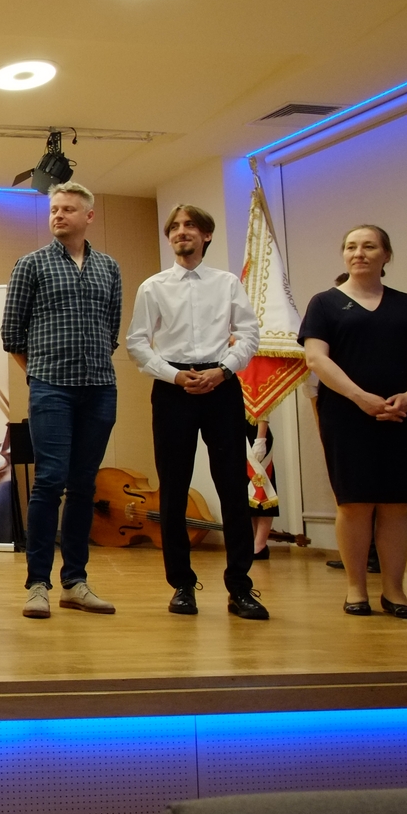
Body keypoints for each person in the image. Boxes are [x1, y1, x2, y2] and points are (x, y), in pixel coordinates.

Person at [125, 204, 265, 619]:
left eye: (190, 226)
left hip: (221, 386)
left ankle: (240, 587)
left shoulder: (227, 284)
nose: (181, 231)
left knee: (232, 488)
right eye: (175, 227)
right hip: (173, 390)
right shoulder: (153, 286)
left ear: (206, 235)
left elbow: (249, 334)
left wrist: (223, 371)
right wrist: (173, 376)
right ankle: (182, 586)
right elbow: (137, 342)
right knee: (173, 489)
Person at [298, 224, 407, 619]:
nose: (359, 253)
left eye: (369, 246)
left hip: (401, 414)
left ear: (386, 255)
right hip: (347, 414)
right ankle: (356, 588)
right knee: (354, 503)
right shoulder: (324, 303)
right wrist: (361, 398)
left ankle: (395, 591)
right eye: (351, 246)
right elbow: (316, 359)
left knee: (396, 505)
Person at [1, 182, 121, 620]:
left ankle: (75, 583)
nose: (58, 215)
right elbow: (11, 334)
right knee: (50, 480)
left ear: (88, 216)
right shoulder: (31, 264)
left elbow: (112, 330)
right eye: (54, 209)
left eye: (68, 209)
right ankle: (38, 584)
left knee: (84, 484)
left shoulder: (109, 267)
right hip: (50, 387)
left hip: (100, 388)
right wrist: (39, 374)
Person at [247, 419, 278, 559]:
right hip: (241, 435)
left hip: (257, 435)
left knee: (263, 489)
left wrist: (260, 438)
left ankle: (260, 544)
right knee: (250, 494)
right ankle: (254, 541)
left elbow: (262, 411)